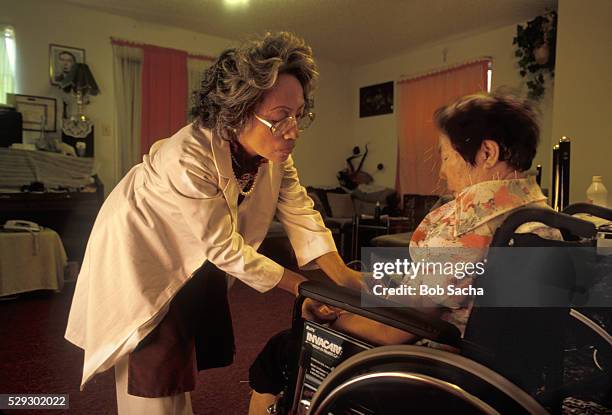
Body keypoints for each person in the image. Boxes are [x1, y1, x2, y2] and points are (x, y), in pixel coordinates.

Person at [64, 32, 361, 415]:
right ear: (238, 111)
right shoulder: (187, 156)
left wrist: (342, 277)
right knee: (152, 359)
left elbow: (300, 210)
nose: (293, 130)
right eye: (280, 118)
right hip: (141, 250)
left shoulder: (276, 156)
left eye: (299, 114)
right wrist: (305, 288)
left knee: (179, 353)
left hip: (194, 255)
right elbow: (224, 247)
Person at [248, 92, 562, 414]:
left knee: (281, 350)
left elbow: (396, 328)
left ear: (487, 152)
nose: (442, 172)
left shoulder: (468, 227)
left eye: (446, 156)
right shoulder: (540, 217)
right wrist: (370, 284)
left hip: (443, 374)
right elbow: (439, 291)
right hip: (514, 378)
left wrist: (334, 321)